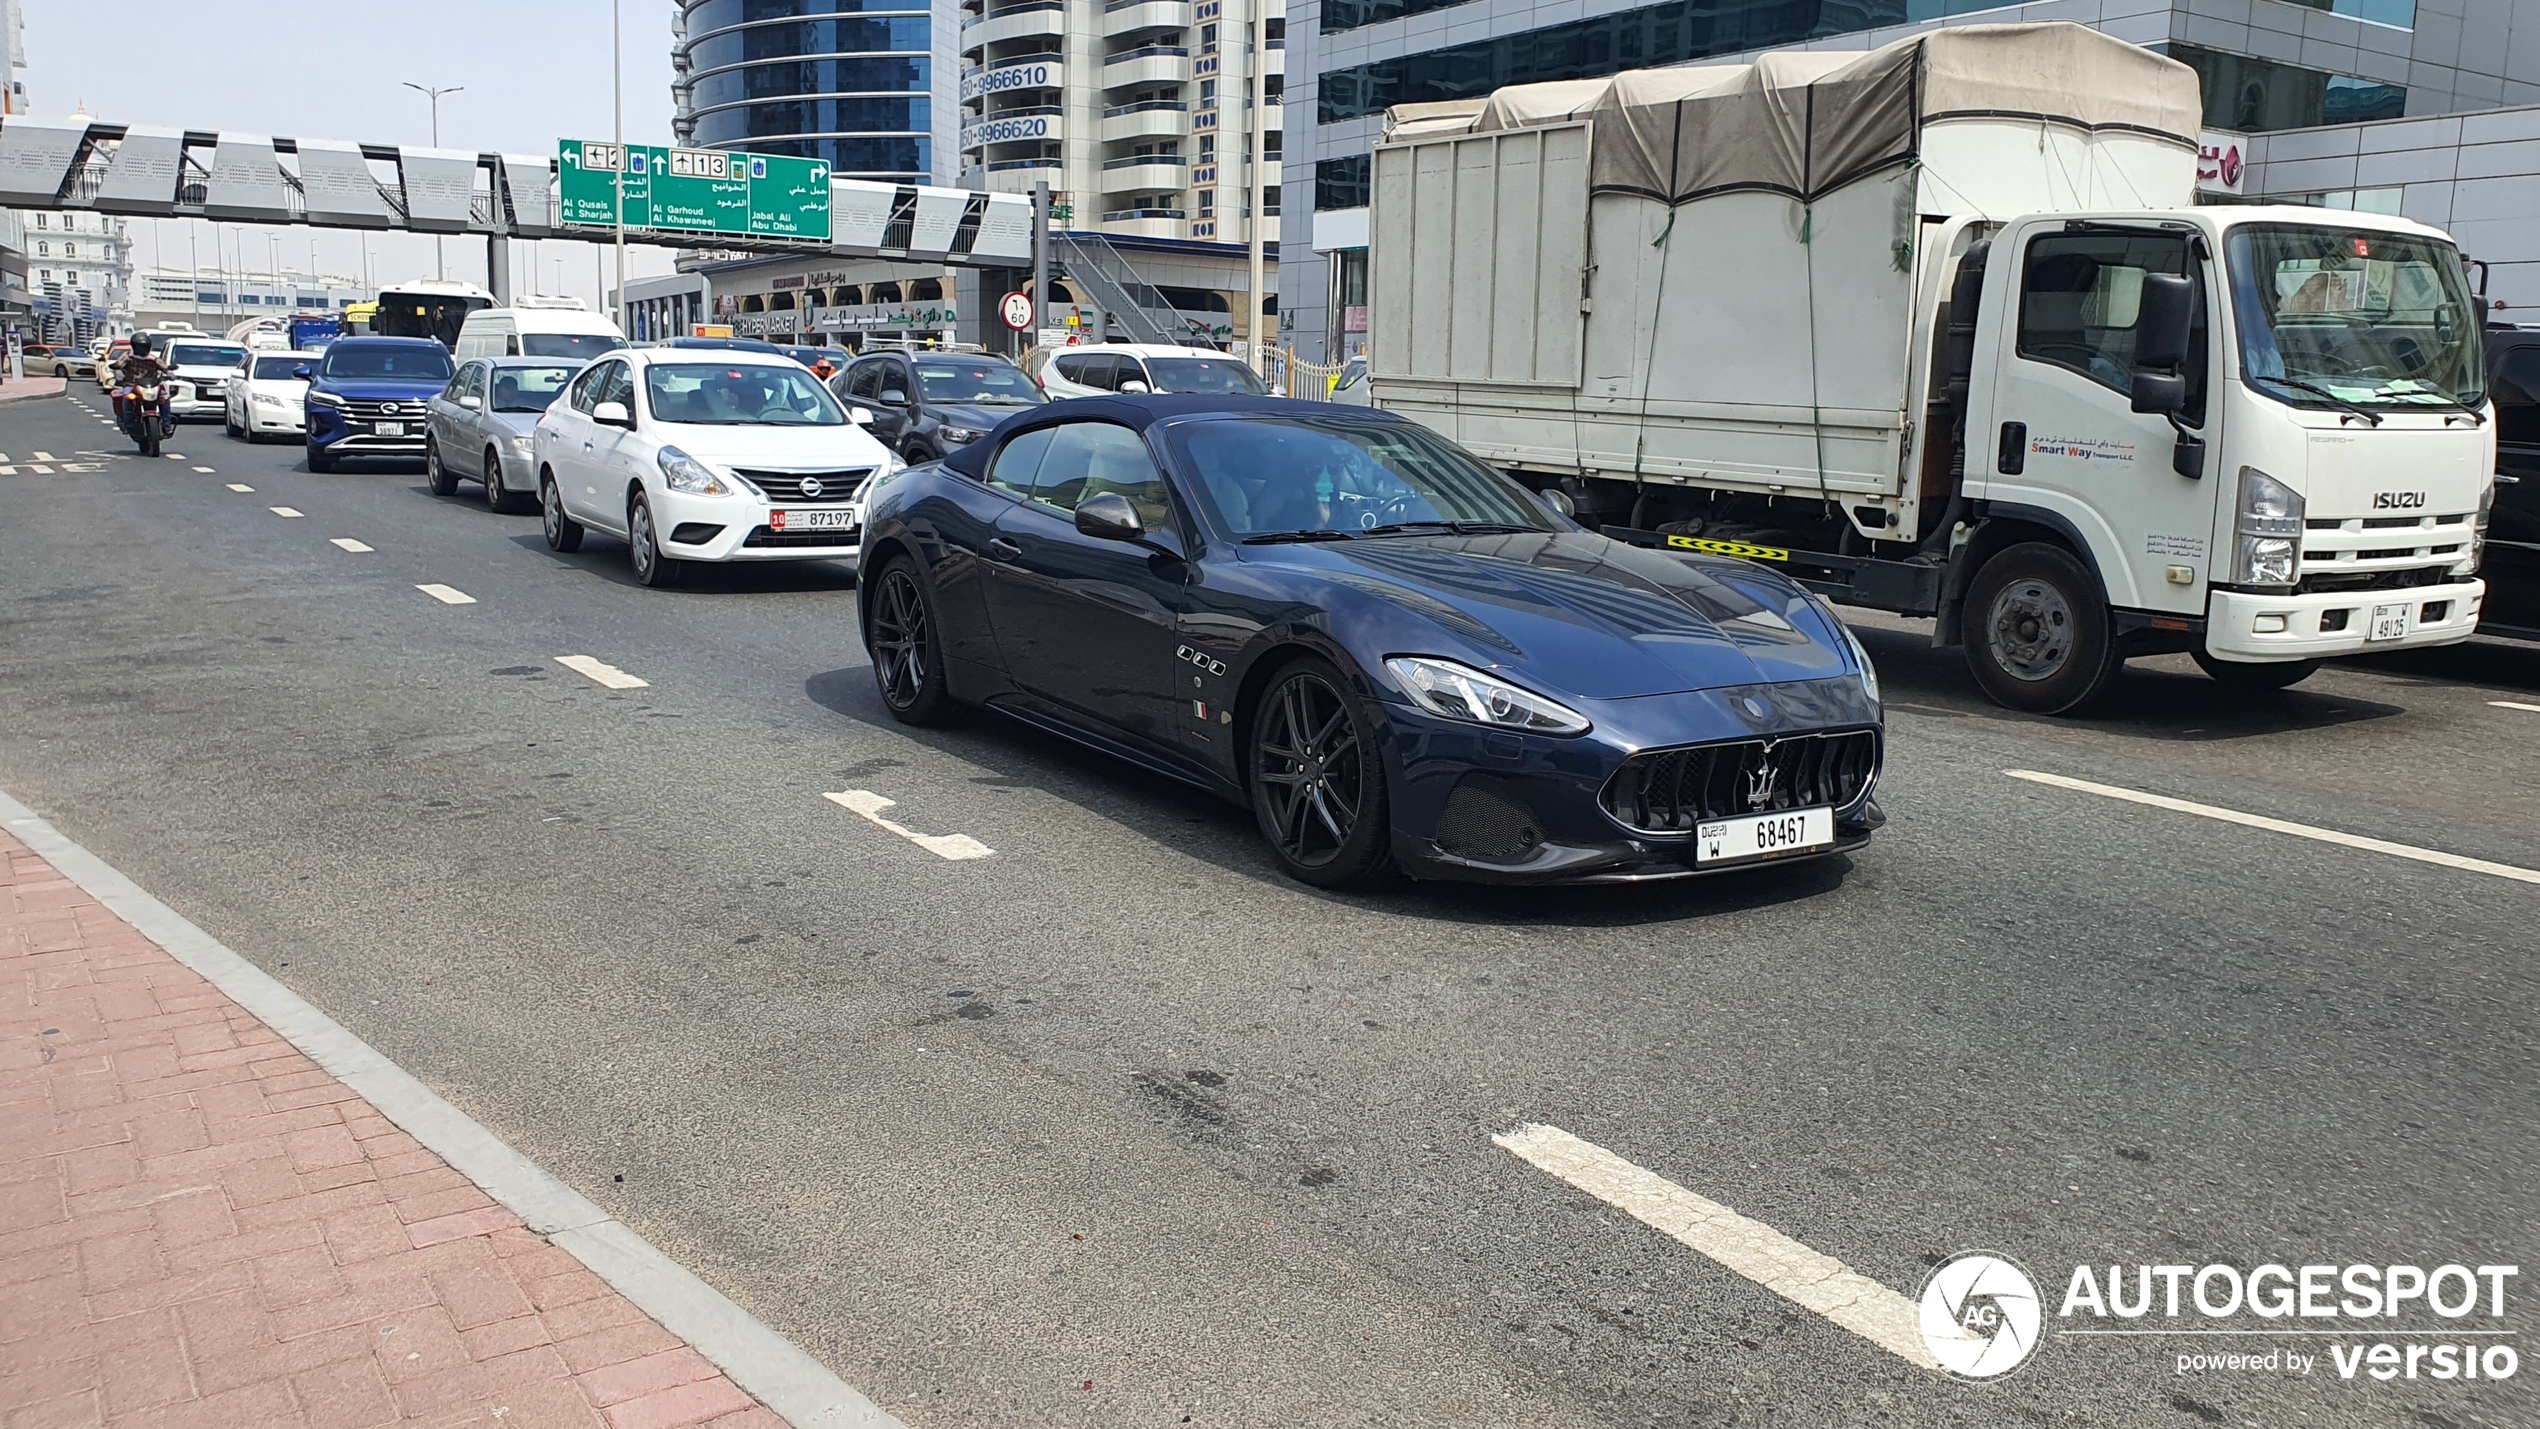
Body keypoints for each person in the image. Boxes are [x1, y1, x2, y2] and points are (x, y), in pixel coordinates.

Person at [112, 333, 169, 431]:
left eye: (144, 347)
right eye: (140, 347)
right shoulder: (127, 357)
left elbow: (164, 367)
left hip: (151, 386)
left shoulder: (152, 358)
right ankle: (128, 424)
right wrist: (116, 366)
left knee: (164, 397)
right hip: (132, 385)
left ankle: (166, 424)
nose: (142, 349)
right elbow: (119, 364)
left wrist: (170, 372)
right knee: (127, 397)